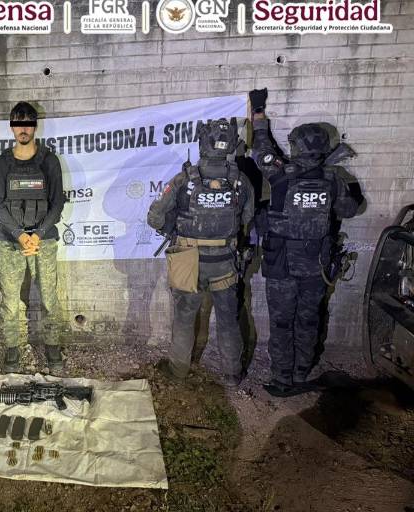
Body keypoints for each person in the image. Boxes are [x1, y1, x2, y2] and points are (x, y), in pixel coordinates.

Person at [249, 88, 360, 396]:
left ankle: (282, 378)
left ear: (296, 146)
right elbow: (349, 210)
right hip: (316, 266)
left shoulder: (281, 174)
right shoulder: (333, 178)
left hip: (281, 265)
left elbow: (261, 148)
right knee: (309, 320)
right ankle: (301, 373)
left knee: (282, 323)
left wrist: (258, 111)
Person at [147, 119, 255, 388]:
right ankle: (232, 375)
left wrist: (174, 229)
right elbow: (248, 216)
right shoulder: (240, 181)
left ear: (202, 143)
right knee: (228, 320)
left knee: (184, 319)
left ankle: (178, 371)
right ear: (231, 144)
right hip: (225, 261)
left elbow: (154, 217)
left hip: (188, 260)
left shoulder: (185, 179)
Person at [0, 101, 66, 374]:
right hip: (10, 241)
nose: (23, 129)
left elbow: (57, 203)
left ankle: (53, 348)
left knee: (49, 298)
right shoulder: (2, 163)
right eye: (18, 124)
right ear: (12, 127)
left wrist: (38, 235)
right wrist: (21, 235)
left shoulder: (49, 161)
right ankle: (12, 349)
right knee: (10, 301)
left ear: (35, 126)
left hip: (44, 241)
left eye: (28, 124)